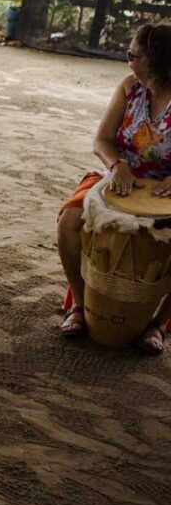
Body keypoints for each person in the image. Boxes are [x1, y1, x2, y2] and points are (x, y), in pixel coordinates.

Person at [57, 23, 171, 353]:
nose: (129, 62)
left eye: (132, 55)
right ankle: (80, 306)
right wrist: (117, 165)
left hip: (165, 188)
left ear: (155, 61)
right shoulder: (129, 88)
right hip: (117, 177)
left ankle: (158, 324)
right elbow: (102, 140)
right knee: (69, 220)